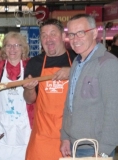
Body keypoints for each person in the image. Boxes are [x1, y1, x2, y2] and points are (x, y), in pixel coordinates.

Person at [60, 14, 118, 158]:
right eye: (71, 34)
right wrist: (65, 136)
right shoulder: (76, 63)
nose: (75, 39)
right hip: (74, 145)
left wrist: (103, 151)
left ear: (94, 33)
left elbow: (114, 110)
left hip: (95, 148)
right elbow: (69, 104)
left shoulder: (108, 63)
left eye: (80, 33)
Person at [23, 19, 77, 160]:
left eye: (53, 34)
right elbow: (30, 99)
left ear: (63, 36)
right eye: (44, 35)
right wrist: (30, 88)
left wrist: (72, 71)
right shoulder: (35, 63)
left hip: (71, 135)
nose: (48, 39)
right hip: (42, 136)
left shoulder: (77, 60)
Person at [0, 32, 33, 160]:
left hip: (26, 126)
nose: (12, 49)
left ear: (23, 48)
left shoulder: (31, 66)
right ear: (4, 49)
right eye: (9, 45)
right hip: (2, 127)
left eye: (17, 45)